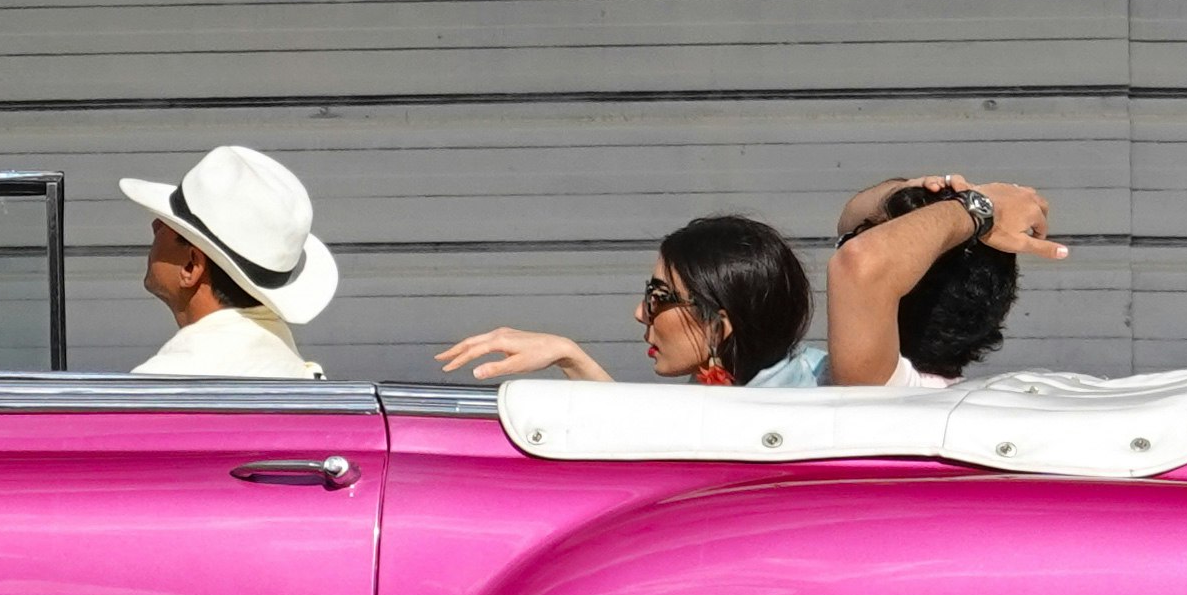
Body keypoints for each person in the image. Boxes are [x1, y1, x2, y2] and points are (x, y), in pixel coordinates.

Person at [0, 141, 336, 379]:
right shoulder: (265, 349)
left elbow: (53, 450)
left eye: (168, 228)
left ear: (193, 268)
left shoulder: (182, 381)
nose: (153, 229)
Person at [436, 215, 811, 388]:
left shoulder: (796, 411)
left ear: (717, 326)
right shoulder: (738, 387)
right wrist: (569, 355)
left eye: (658, 298)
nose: (639, 313)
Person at [797, 175, 1065, 387]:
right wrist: (914, 191)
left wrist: (977, 208)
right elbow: (853, 219)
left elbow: (861, 261)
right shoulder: (929, 393)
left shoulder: (882, 388)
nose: (848, 234)